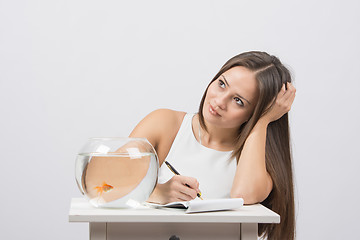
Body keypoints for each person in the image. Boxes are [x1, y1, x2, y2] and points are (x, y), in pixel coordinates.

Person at [129, 51, 296, 240]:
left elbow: (244, 193)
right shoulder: (165, 124)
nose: (219, 101)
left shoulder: (256, 158)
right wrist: (156, 193)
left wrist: (263, 121)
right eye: (222, 84)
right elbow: (103, 181)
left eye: (238, 101)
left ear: (254, 113)